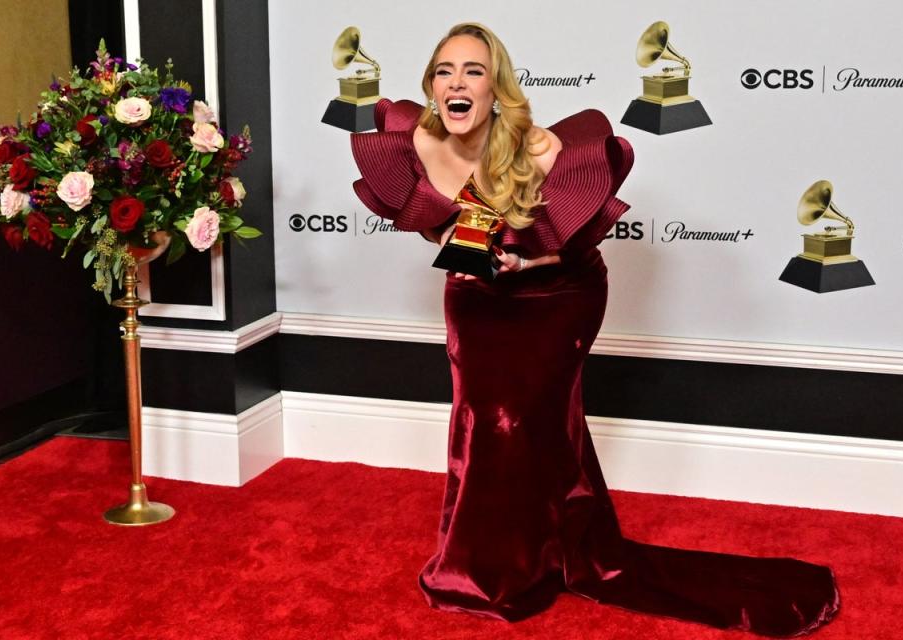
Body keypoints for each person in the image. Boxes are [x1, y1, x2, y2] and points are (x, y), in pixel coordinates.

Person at [351, 22, 839, 637]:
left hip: (558, 292)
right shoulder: (413, 144)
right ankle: (502, 559)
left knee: (521, 418)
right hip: (476, 297)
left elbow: (573, 238)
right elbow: (428, 221)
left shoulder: (536, 146)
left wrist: (526, 261)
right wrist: (463, 245)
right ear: (430, 85)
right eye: (445, 70)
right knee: (482, 418)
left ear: (496, 87)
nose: (458, 82)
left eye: (474, 70)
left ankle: (502, 566)